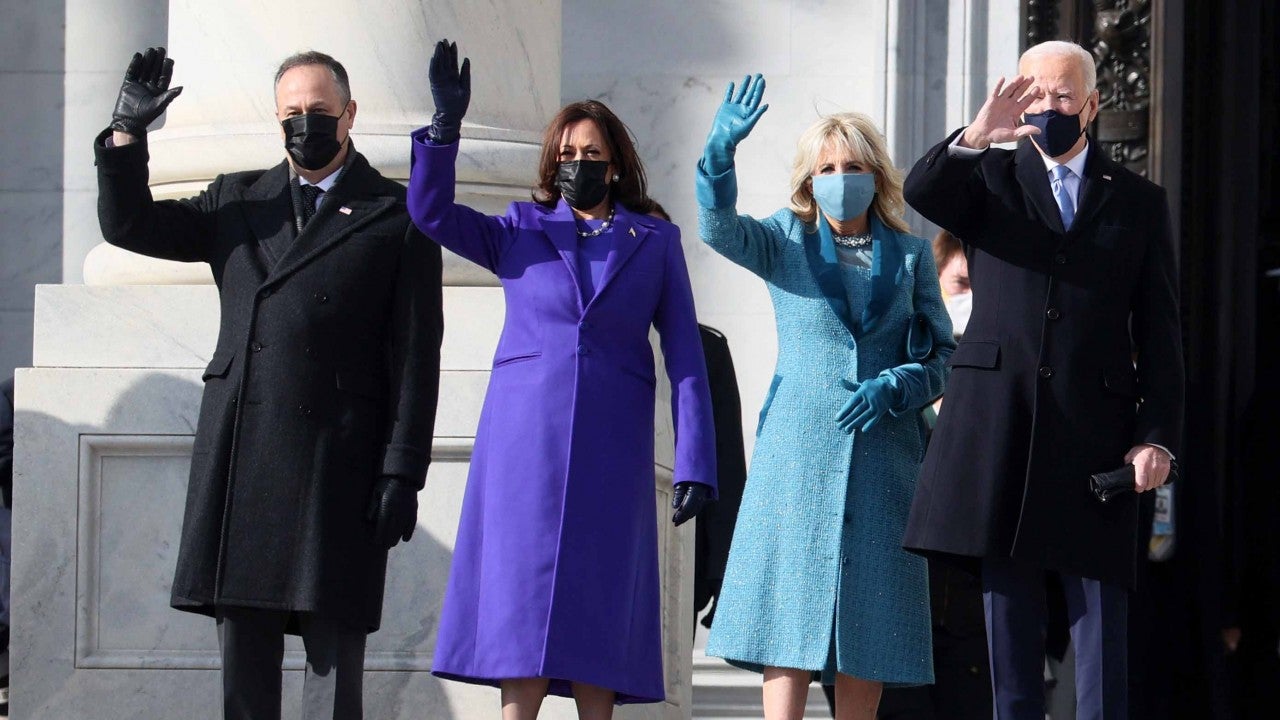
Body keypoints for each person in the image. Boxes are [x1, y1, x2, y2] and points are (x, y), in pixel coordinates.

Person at [95, 47, 443, 720]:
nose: (304, 125)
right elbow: (128, 225)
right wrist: (126, 136)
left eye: (318, 112)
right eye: (291, 114)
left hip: (341, 465)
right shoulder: (236, 200)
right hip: (246, 459)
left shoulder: (396, 216)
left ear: (349, 115)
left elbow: (416, 356)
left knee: (331, 673)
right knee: (245, 682)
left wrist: (403, 473)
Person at [407, 40, 717, 720]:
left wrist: (697, 460)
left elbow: (687, 355)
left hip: (612, 446)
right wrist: (442, 131)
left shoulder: (652, 242)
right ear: (553, 163)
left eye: (591, 154)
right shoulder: (518, 228)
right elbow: (429, 214)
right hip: (524, 446)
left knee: (599, 610)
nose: (579, 165)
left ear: (615, 162)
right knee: (520, 612)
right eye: (568, 155)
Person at [901, 40, 1184, 720]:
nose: (1050, 108)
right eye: (1037, 95)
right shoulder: (989, 180)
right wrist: (975, 136)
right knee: (1010, 636)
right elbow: (921, 190)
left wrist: (1158, 438)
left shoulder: (1139, 202)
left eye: (1063, 96)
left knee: (1100, 636)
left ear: (1091, 104)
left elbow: (1162, 332)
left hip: (1097, 436)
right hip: (1004, 426)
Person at [695, 74, 954, 720]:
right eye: (829, 166)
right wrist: (719, 156)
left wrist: (899, 384)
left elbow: (944, 357)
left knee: (867, 637)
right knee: (788, 631)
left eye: (855, 164)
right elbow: (718, 228)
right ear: (811, 180)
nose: (842, 175)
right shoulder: (785, 239)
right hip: (796, 463)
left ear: (877, 174)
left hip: (882, 465)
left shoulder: (914, 256)